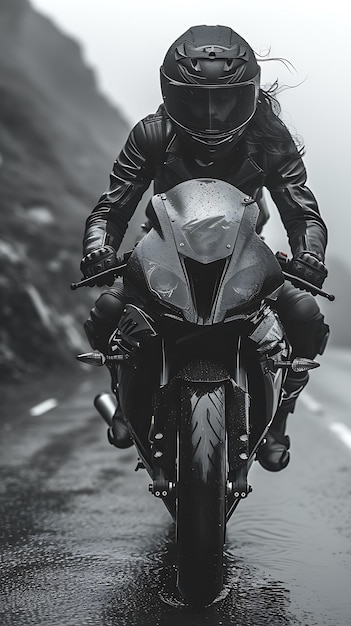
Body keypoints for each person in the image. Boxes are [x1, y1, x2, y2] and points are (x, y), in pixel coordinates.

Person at [80, 25, 329, 472]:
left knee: (306, 318)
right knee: (106, 314)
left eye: (226, 98)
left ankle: (277, 424)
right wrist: (100, 248)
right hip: (161, 250)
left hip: (245, 254)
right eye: (196, 100)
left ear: (249, 93)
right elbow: (113, 207)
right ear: (172, 96)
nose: (212, 114)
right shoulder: (152, 134)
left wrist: (310, 254)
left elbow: (301, 210)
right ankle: (122, 399)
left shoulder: (270, 138)